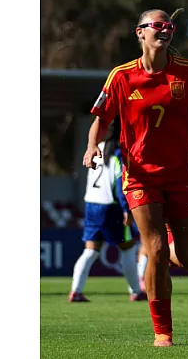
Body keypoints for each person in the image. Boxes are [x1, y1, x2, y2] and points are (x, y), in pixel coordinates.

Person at [83, 8, 188, 347]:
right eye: (157, 25)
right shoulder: (121, 76)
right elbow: (101, 119)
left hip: (181, 177)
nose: (164, 30)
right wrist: (92, 146)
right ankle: (162, 332)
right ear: (140, 32)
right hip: (140, 178)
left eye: (169, 26)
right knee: (155, 251)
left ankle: (162, 243)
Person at [69, 119, 147, 303]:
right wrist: (126, 209)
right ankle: (136, 291)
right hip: (111, 207)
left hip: (91, 205)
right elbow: (120, 184)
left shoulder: (95, 150)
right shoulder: (118, 154)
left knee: (90, 251)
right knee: (128, 248)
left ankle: (76, 291)